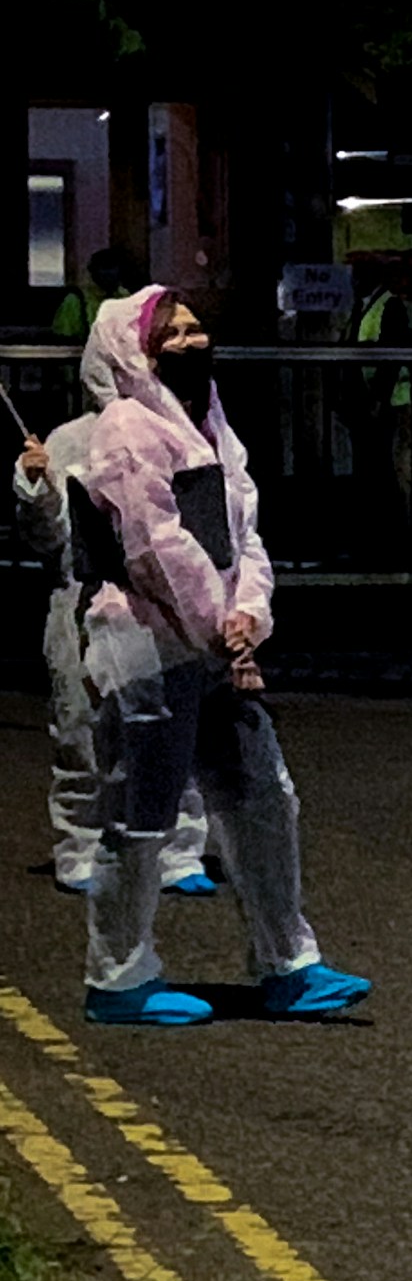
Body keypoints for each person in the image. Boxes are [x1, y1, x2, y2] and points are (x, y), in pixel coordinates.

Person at [71, 289, 369, 1026]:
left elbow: (244, 533)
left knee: (262, 795)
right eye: (169, 333)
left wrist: (249, 612)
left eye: (196, 326)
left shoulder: (210, 427)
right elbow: (152, 546)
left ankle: (288, 961)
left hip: (208, 646)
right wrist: (221, 622)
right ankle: (117, 976)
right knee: (141, 812)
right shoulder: (127, 430)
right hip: (145, 643)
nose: (190, 340)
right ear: (130, 351)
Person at [18, 355, 211, 896]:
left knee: (170, 727)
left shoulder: (184, 429)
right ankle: (80, 846)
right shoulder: (72, 439)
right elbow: (47, 538)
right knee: (80, 730)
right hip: (84, 601)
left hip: (157, 601)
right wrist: (37, 485)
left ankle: (175, 849)